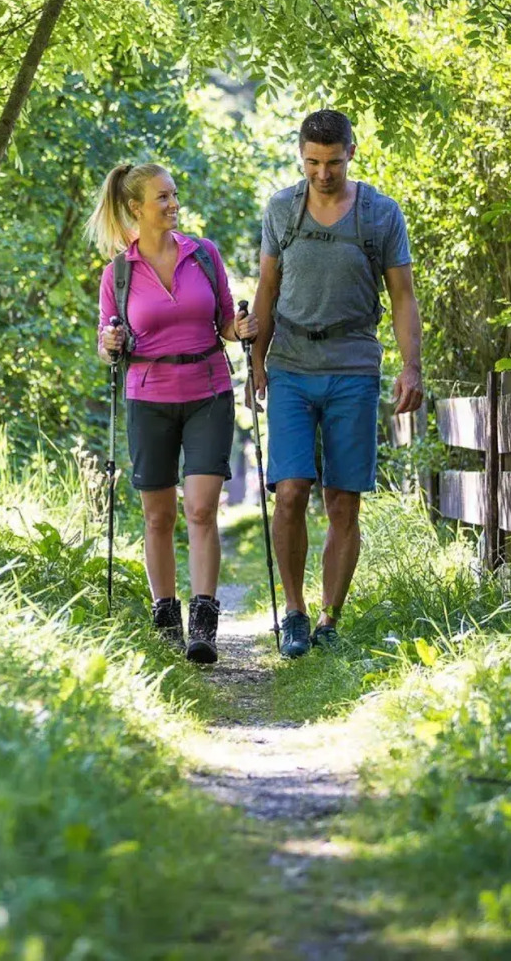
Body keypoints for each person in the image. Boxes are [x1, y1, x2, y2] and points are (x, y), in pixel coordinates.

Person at [249, 110, 424, 658]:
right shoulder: (282, 209)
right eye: (312, 162)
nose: (322, 173)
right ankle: (295, 612)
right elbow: (267, 289)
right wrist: (256, 360)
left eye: (332, 161)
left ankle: (330, 617)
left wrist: (411, 366)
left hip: (354, 363)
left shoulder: (380, 215)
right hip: (292, 365)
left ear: (352, 151)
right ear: (301, 156)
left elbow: (402, 297)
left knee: (343, 498)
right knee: (292, 490)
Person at [93, 163, 255, 664]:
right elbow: (107, 341)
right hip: (148, 397)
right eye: (161, 197)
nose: (172, 203)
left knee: (201, 508)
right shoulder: (118, 273)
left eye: (174, 194)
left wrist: (241, 328)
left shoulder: (203, 255)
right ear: (135, 208)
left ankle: (203, 621)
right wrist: (110, 342)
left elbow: (226, 322)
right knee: (157, 515)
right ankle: (165, 618)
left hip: (208, 389)